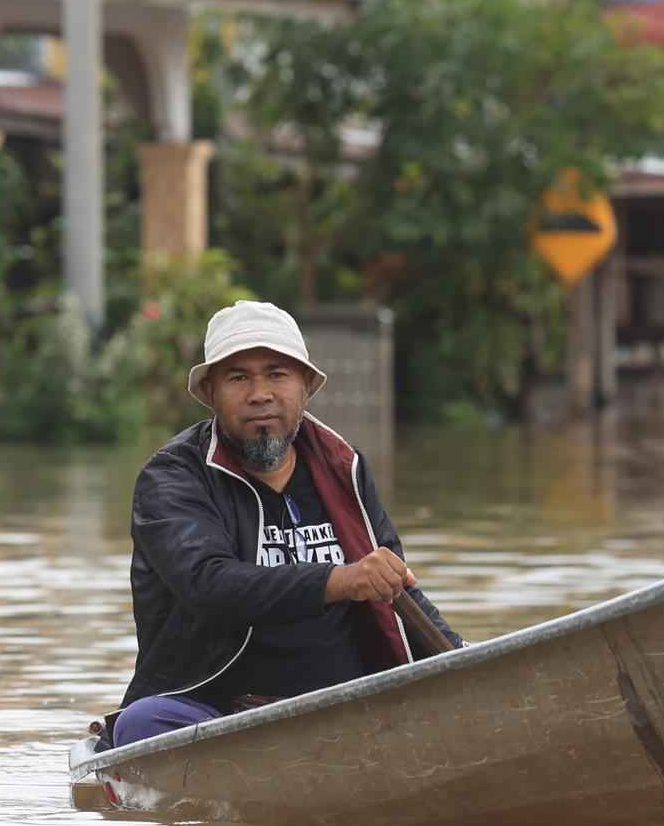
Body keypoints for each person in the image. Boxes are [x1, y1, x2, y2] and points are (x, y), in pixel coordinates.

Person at [108, 300, 459, 748]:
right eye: (238, 377)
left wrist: (463, 659)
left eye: (277, 374)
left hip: (344, 704)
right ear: (211, 393)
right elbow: (209, 585)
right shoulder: (173, 478)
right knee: (143, 724)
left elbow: (391, 585)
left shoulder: (343, 467)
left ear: (306, 387)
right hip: (221, 713)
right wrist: (341, 579)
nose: (260, 394)